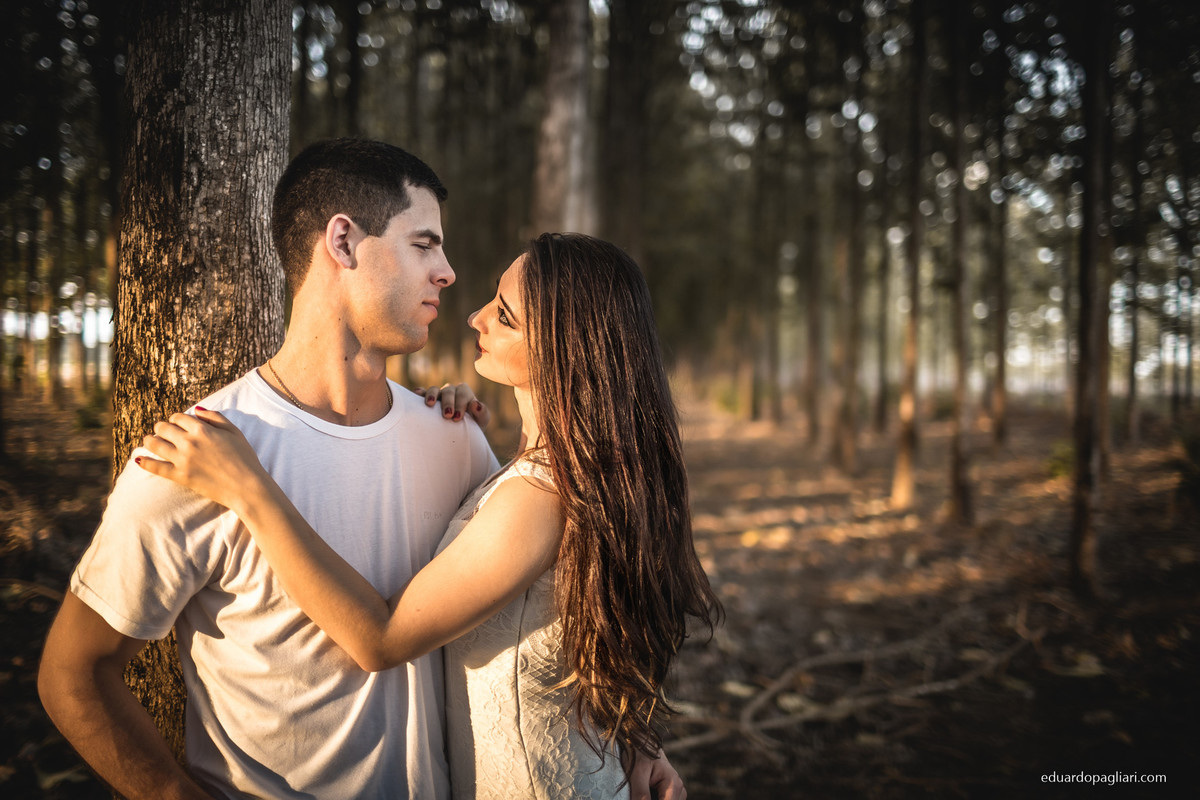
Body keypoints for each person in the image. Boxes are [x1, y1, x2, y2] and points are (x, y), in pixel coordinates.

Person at [37, 140, 683, 800]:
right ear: (344, 242)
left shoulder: (453, 438)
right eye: (424, 244)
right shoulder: (200, 456)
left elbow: (575, 603)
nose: (449, 273)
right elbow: (74, 673)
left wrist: (633, 741)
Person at [136, 233, 721, 800]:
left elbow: (380, 640)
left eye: (506, 317)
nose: (475, 317)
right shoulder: (554, 471)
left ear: (568, 347)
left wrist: (248, 489)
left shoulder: (541, 495)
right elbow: (594, 623)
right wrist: (639, 736)